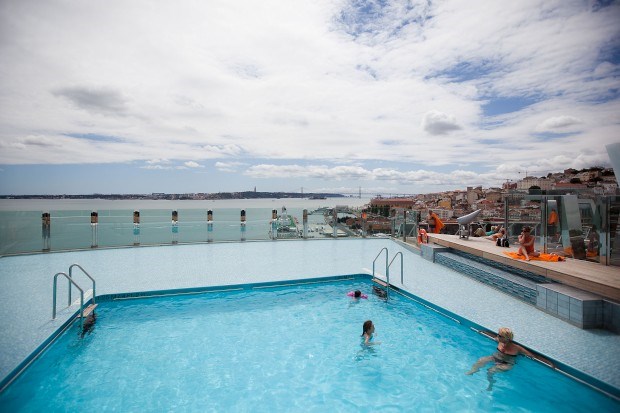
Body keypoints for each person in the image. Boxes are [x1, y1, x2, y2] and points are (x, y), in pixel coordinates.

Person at [466, 327, 551, 390]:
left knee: (491, 370)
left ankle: (491, 383)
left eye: (500, 335)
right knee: (481, 360)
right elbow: (492, 336)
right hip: (495, 357)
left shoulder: (517, 348)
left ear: (507, 338)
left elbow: (534, 356)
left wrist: (549, 362)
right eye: (498, 334)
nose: (497, 336)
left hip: (507, 363)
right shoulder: (499, 340)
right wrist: (483, 331)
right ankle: (473, 371)